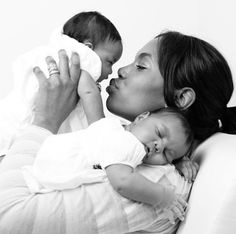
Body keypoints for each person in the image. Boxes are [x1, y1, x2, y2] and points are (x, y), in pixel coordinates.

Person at [3, 28, 236, 233]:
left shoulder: (154, 185)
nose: (122, 70)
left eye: (141, 66)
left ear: (181, 98)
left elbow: (8, 219)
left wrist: (44, 120)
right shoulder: (139, 153)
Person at [0, 11, 122, 155]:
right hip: (30, 132)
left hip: (12, 121)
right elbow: (91, 97)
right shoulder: (79, 67)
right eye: (110, 62)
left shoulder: (46, 53)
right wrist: (102, 132)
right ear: (88, 48)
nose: (110, 71)